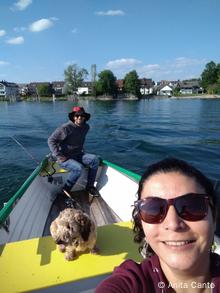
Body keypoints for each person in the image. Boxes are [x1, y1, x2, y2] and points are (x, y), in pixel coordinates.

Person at [95, 158, 220, 292]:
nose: (173, 224)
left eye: (192, 206)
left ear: (214, 217)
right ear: (141, 223)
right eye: (153, 209)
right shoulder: (129, 284)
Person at [48, 106, 100, 197]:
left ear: (85, 117)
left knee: (95, 159)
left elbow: (79, 140)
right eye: (77, 115)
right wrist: (58, 155)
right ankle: (65, 190)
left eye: (82, 115)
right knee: (78, 168)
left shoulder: (86, 127)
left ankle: (89, 187)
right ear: (73, 117)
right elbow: (51, 140)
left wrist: (82, 150)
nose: (79, 117)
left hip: (79, 154)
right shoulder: (65, 128)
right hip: (65, 157)